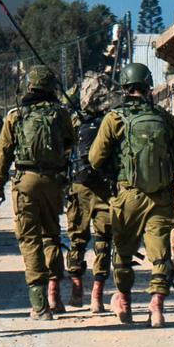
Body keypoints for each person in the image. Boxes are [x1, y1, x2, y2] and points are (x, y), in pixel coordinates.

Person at [89, 63, 174, 328]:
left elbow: (95, 158)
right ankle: (156, 307)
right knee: (160, 254)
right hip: (160, 198)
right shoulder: (165, 118)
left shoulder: (114, 118)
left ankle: (125, 303)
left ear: (124, 88)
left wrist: (115, 170)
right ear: (148, 87)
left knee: (122, 253)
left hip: (128, 195)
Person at [0, 66, 76, 320]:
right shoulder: (61, 114)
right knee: (51, 235)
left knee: (30, 240)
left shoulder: (16, 115)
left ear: (29, 86)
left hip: (25, 182)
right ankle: (54, 295)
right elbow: (70, 144)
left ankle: (39, 306)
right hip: (53, 182)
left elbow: (2, 153)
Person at [65, 73, 117, 312]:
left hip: (79, 186)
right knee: (104, 241)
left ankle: (77, 289)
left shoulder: (75, 122)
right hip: (105, 188)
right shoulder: (114, 120)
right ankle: (97, 295)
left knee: (76, 240)